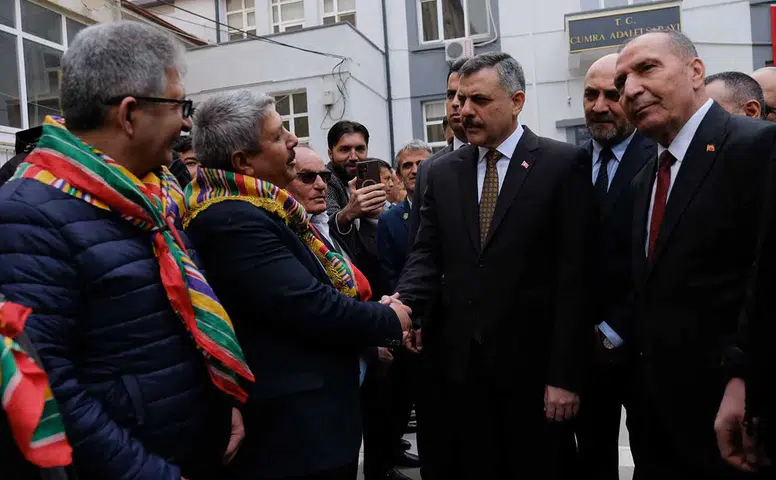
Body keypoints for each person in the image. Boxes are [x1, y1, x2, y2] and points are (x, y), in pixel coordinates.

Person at [0, 21, 249, 479]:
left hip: (190, 449)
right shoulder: (26, 214)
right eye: (179, 105)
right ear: (130, 114)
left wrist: (223, 403)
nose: (187, 122)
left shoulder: (152, 198)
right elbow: (52, 387)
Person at [185, 90, 412, 480]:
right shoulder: (232, 219)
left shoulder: (265, 208)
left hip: (313, 424)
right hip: (294, 436)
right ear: (243, 162)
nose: (293, 140)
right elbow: (310, 305)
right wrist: (390, 319)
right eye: (278, 135)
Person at [396, 51, 595, 479]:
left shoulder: (563, 164)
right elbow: (426, 253)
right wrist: (406, 304)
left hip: (535, 374)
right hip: (459, 372)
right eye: (461, 100)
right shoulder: (442, 172)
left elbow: (575, 277)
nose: (464, 111)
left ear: (516, 101)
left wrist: (565, 375)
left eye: (480, 100)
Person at [614, 30, 776, 479]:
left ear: (695, 71)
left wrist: (746, 382)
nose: (630, 90)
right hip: (657, 422)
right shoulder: (645, 178)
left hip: (732, 418)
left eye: (646, 69)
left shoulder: (758, 146)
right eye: (621, 83)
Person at [574, 53, 655, 480]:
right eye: (591, 95)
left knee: (654, 454)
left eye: (611, 94)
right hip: (582, 352)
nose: (599, 106)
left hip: (644, 347)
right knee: (591, 457)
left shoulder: (660, 158)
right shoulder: (568, 164)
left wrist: (614, 329)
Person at [408, 58, 469, 245]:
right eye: (451, 95)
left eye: (463, 95)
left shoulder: (502, 158)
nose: (455, 103)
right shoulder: (428, 168)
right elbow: (418, 244)